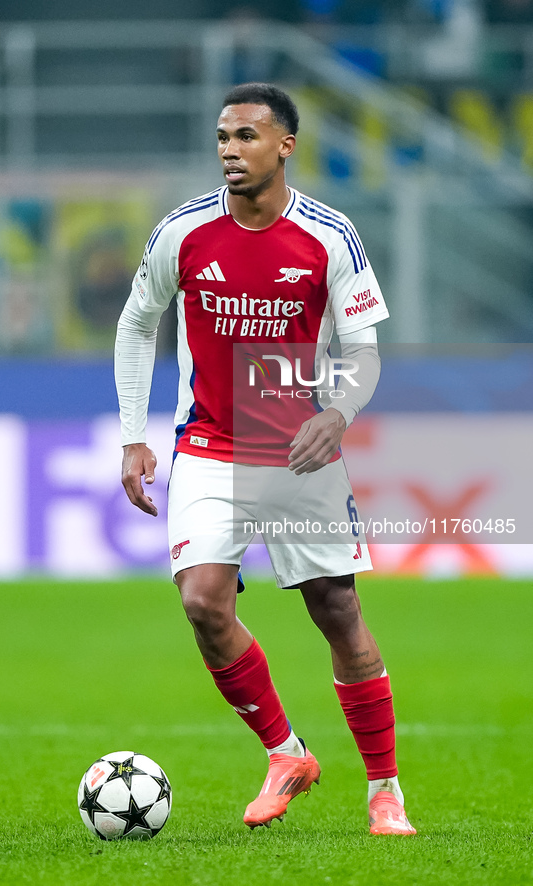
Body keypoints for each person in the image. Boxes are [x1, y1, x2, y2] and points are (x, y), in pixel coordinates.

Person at [115, 82, 415, 835]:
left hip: (296, 454)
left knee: (337, 612)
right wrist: (131, 434)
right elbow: (134, 325)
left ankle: (385, 790)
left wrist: (338, 413)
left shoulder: (328, 235)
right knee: (201, 604)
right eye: (222, 137)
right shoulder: (182, 232)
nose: (228, 150)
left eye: (246, 136)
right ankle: (285, 752)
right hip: (209, 446)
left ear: (285, 146)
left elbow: (365, 351)